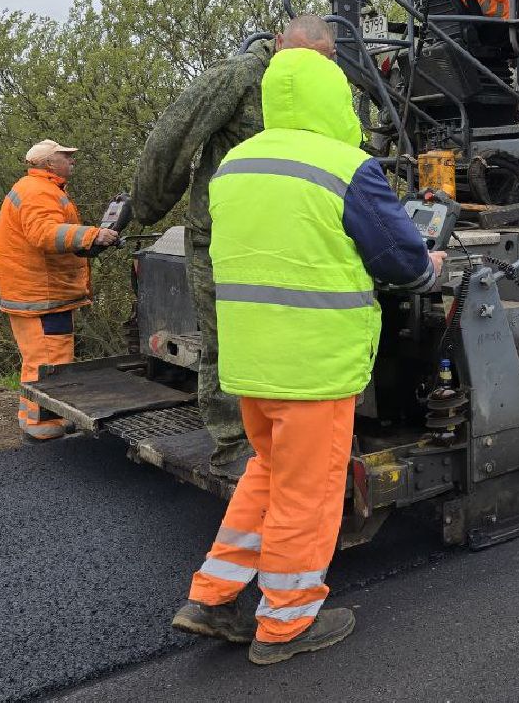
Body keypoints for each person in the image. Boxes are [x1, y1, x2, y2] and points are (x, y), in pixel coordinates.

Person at [171, 41, 444, 666]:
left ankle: (212, 597)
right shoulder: (348, 168)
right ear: (335, 100)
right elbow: (400, 260)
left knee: (266, 473)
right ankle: (286, 625)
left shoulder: (236, 163)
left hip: (251, 363)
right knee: (309, 492)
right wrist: (429, 269)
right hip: (314, 367)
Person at [130, 16, 338, 477]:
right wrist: (147, 207)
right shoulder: (240, 76)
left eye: (316, 59)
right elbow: (174, 135)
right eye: (295, 54)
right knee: (228, 340)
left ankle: (285, 439)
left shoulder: (328, 89)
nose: (303, 66)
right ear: (278, 42)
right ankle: (233, 450)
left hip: (290, 236)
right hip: (221, 236)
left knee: (289, 342)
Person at [0, 139, 119, 440]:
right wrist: (93, 235)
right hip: (42, 295)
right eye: (66, 156)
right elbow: (45, 234)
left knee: (38, 360)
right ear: (50, 163)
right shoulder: (39, 192)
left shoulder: (35, 188)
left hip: (35, 293)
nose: (72, 160)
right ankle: (44, 428)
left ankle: (33, 420)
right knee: (50, 364)